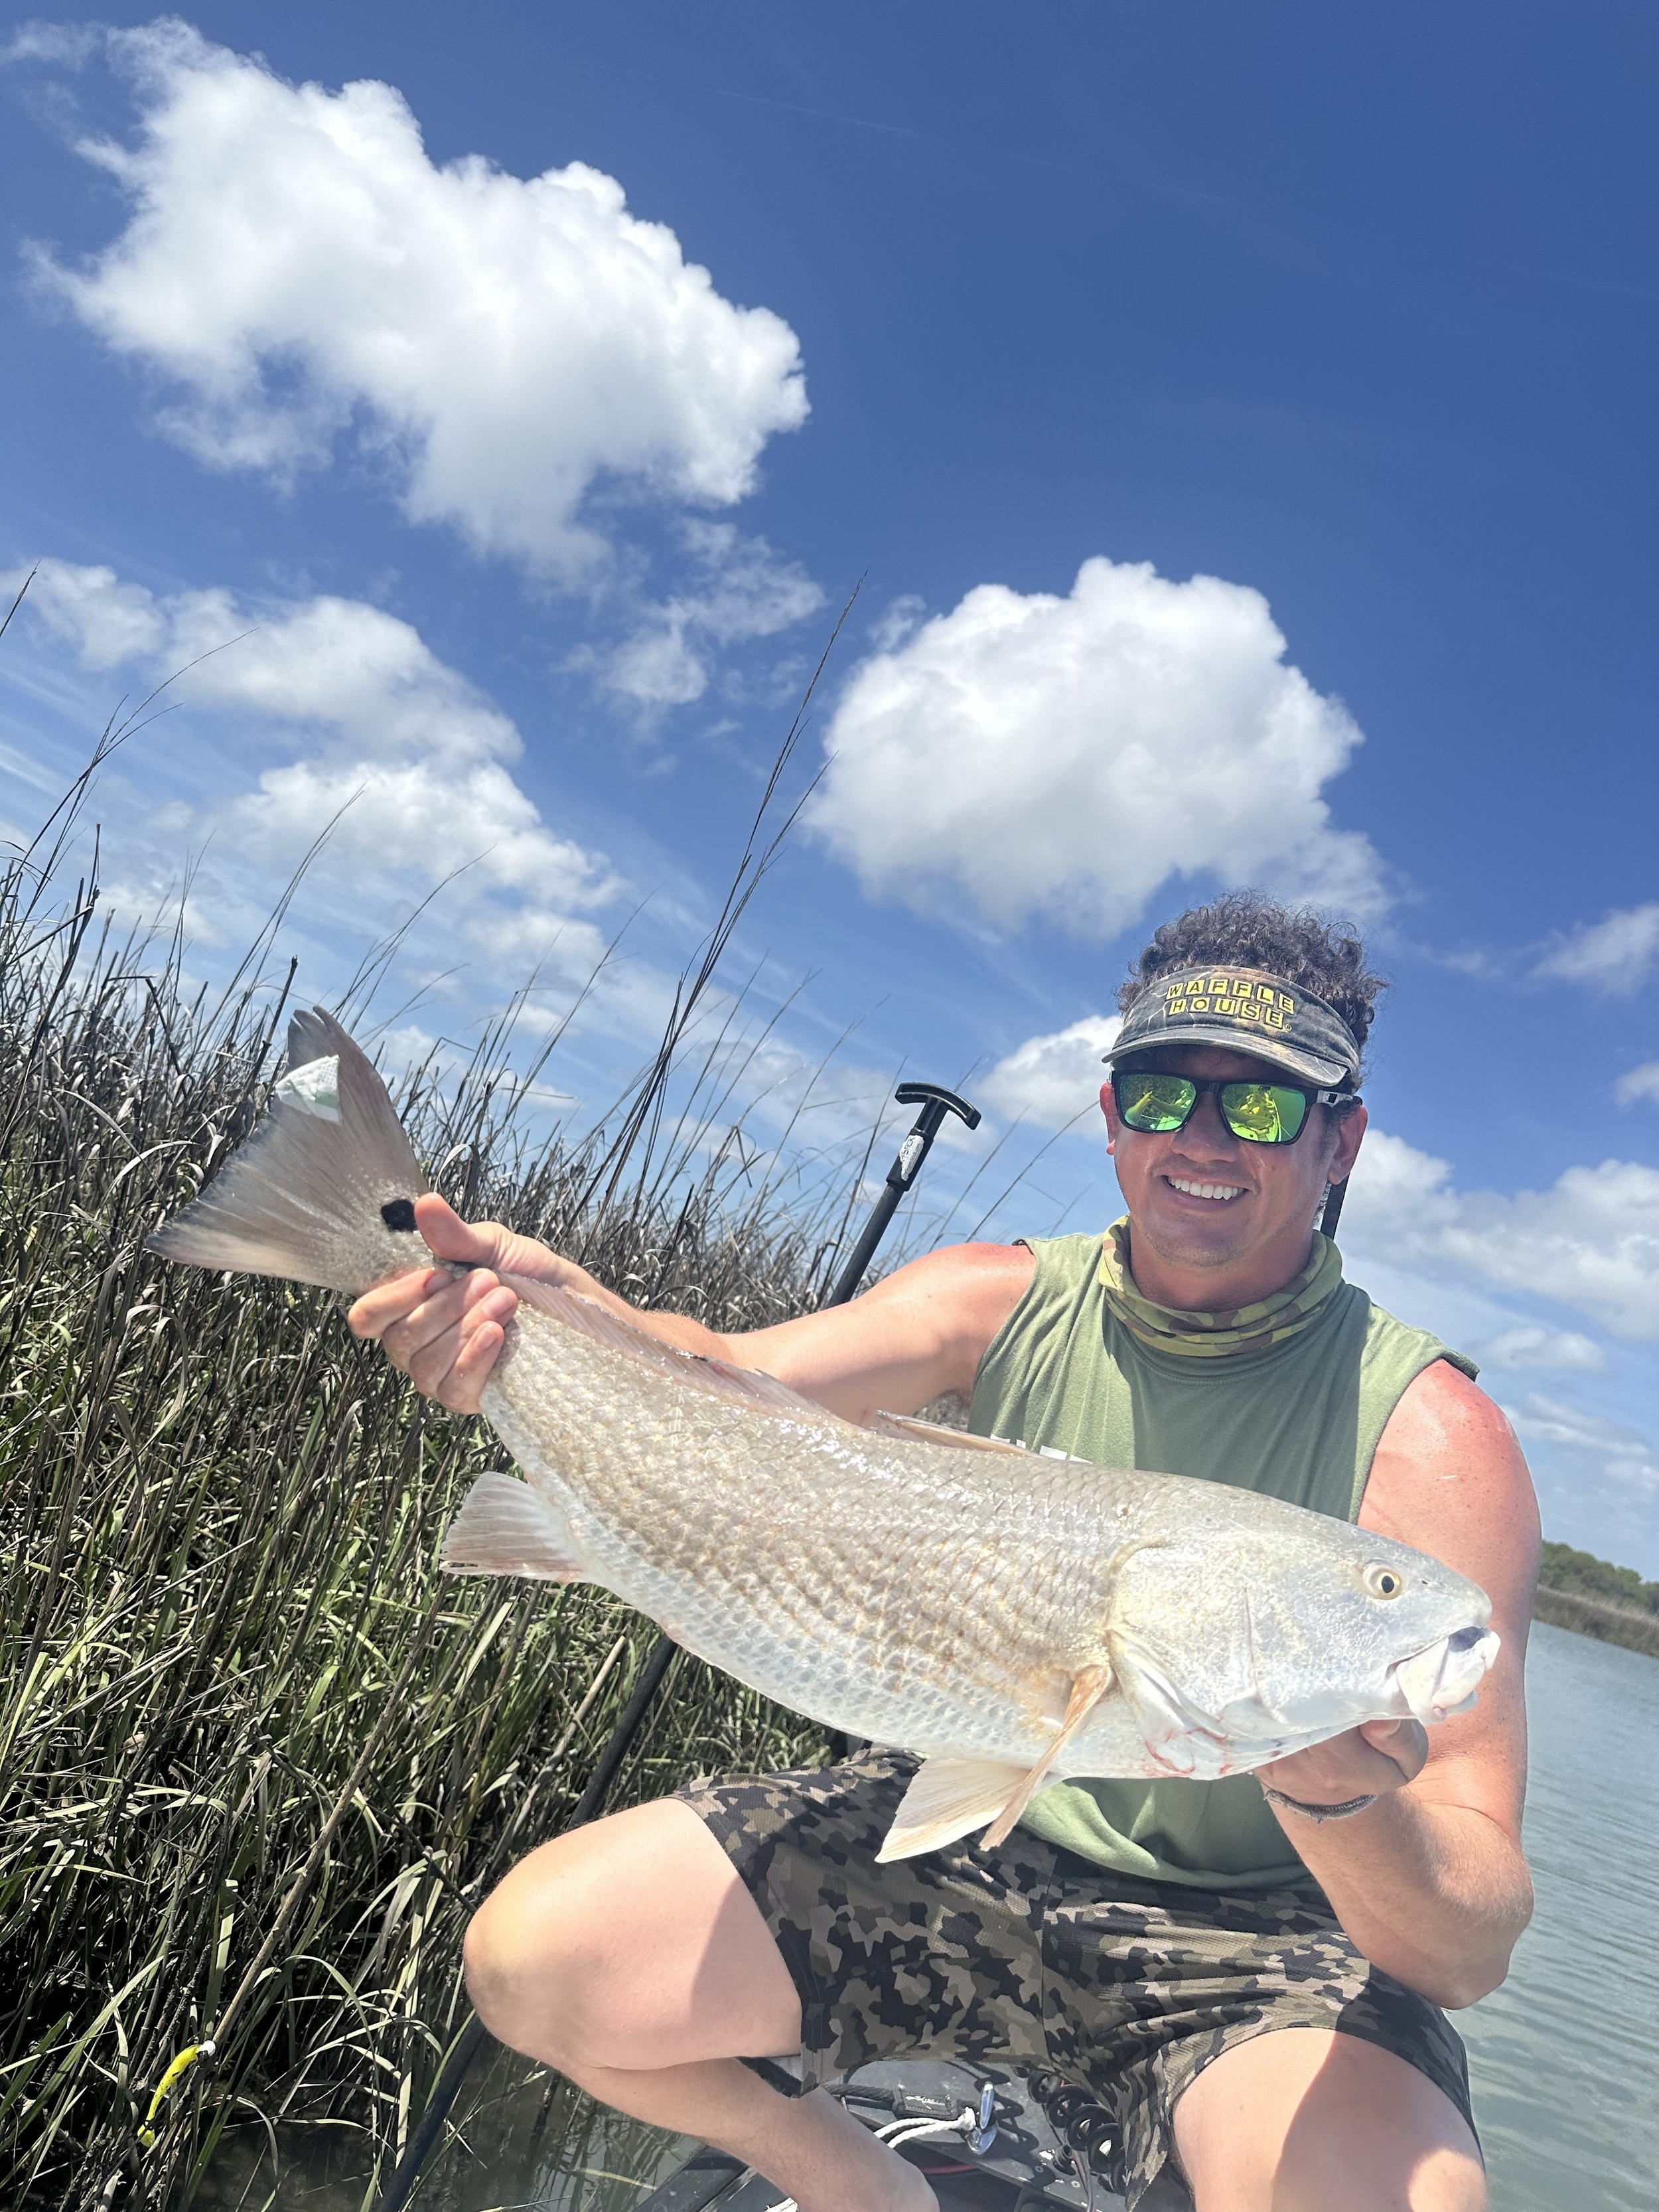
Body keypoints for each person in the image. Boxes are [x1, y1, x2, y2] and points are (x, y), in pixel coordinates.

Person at [350, 893, 1538, 2212]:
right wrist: (548, 1307)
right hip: (979, 1833)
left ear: (1340, 1144)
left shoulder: (1436, 1435)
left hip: (1253, 1940)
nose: (1201, 1138)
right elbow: (735, 1386)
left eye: (1258, 1105)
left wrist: (1333, 1795)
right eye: (1158, 1093)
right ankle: (853, 2181)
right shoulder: (998, 1292)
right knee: (536, 1954)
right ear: (1108, 1117)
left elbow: (1467, 1938)